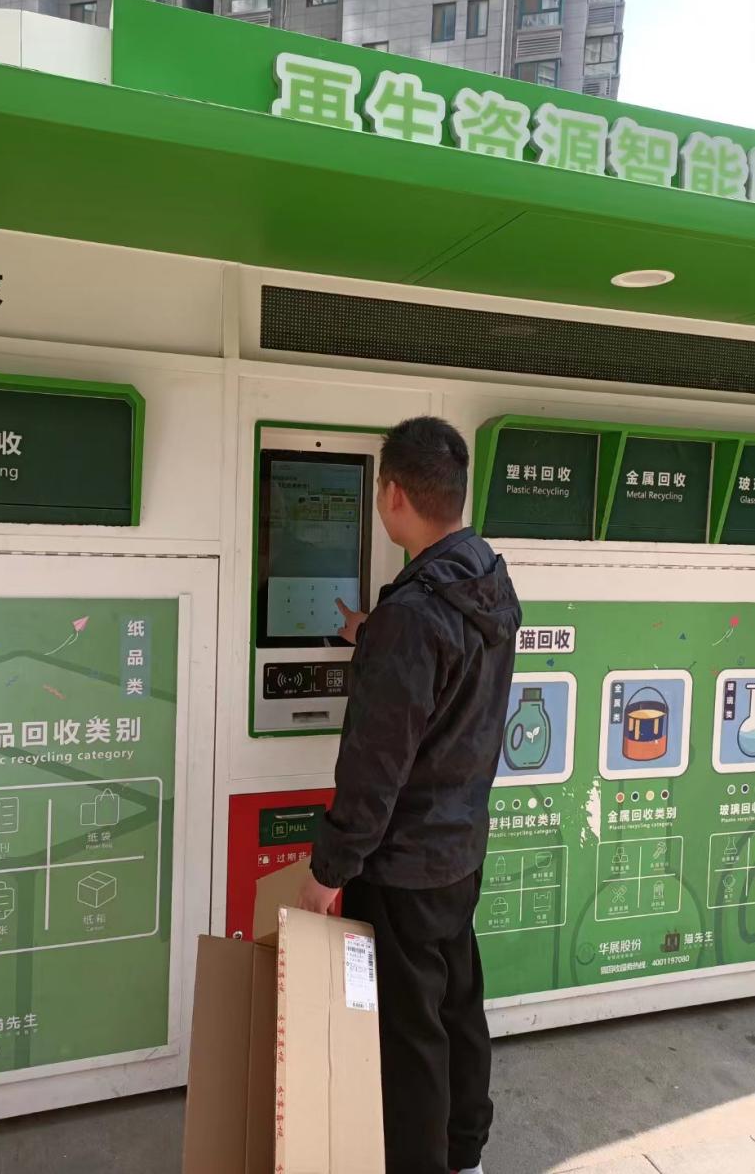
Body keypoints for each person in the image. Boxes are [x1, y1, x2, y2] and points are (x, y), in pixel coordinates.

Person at [299, 416, 521, 1174]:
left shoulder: (412, 616)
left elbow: (375, 768)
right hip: (458, 850)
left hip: (399, 866)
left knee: (407, 1035)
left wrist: (328, 869)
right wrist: (376, 634)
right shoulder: (484, 580)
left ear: (393, 494)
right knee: (455, 1007)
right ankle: (465, 1155)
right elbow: (444, 672)